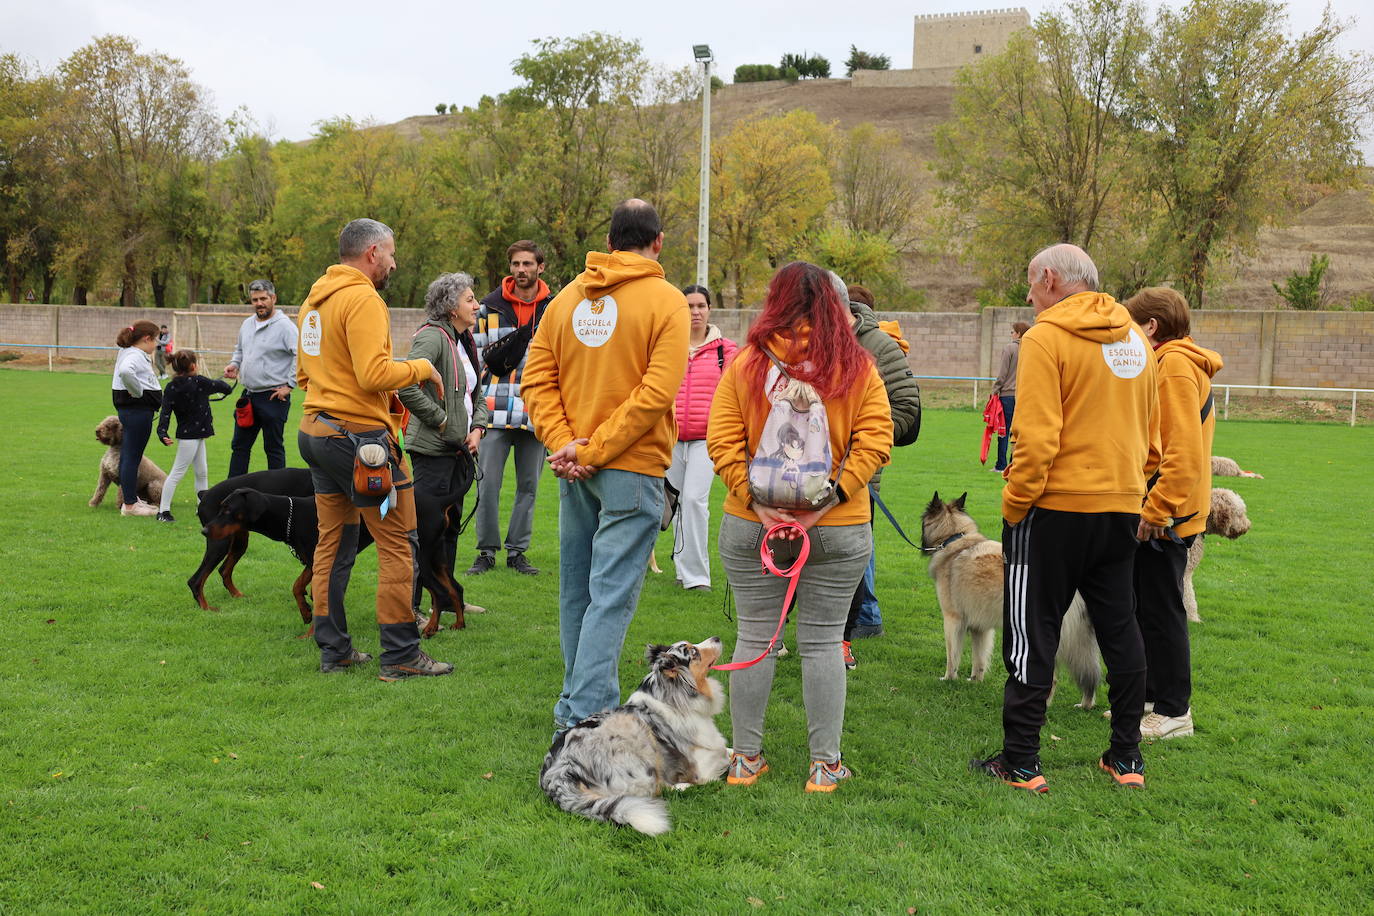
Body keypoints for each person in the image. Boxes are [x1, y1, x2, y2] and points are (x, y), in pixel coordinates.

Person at [973, 243, 1160, 793]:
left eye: (1031, 285)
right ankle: (1127, 756)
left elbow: (1035, 437)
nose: (1028, 297)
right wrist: (1133, 489)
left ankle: (1022, 760)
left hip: (1054, 509)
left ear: (1051, 279)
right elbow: (1153, 436)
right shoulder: (1135, 339)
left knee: (1033, 630)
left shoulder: (1045, 337)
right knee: (1121, 628)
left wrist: (1014, 506)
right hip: (1121, 508)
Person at [708, 261, 892, 793]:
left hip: (751, 525)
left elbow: (722, 442)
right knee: (822, 642)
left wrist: (757, 505)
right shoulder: (857, 367)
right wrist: (828, 500)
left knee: (753, 636)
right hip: (838, 526)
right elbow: (875, 441)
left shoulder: (745, 365)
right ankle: (823, 765)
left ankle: (745, 759)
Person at [522, 199, 689, 731]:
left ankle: (576, 700)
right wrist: (585, 448)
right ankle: (586, 713)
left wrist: (566, 443)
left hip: (576, 468)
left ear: (610, 239)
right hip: (628, 467)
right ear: (657, 242)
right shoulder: (667, 301)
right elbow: (656, 393)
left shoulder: (566, 297)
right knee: (609, 596)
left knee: (579, 590)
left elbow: (536, 381)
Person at [295, 218, 452, 680]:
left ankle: (335, 650)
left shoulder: (313, 301)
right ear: (371, 253)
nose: (394, 262)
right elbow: (373, 374)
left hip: (316, 432)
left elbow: (305, 375)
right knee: (398, 543)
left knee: (334, 542)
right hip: (361, 443)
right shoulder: (363, 297)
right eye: (391, 253)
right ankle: (402, 654)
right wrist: (423, 367)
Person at [1123, 287, 1222, 740]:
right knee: (1146, 605)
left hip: (1170, 514)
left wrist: (1158, 508)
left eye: (1131, 326)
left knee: (1164, 610)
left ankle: (1175, 710)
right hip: (1167, 509)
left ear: (1151, 328)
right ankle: (1150, 698)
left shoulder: (1175, 366)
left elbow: (1182, 453)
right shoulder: (1171, 362)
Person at [831, 277, 922, 669]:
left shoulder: (880, 346)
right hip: (809, 476)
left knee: (853, 553)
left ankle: (850, 631)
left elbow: (906, 409)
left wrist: (864, 443)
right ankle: (790, 632)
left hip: (861, 474)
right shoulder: (814, 344)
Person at [396, 272, 489, 623]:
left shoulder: (464, 340)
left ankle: (447, 600)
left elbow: (475, 393)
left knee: (448, 528)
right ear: (451, 307)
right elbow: (406, 386)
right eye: (470, 299)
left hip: (460, 451)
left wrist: (476, 428)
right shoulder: (432, 338)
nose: (477, 305)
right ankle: (413, 608)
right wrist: (441, 422)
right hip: (433, 452)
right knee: (425, 532)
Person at [467, 241, 554, 577]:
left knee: (529, 487)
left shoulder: (555, 308)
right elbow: (473, 357)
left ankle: (518, 551)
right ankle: (486, 552)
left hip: (537, 412)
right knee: (487, 484)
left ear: (540, 267)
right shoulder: (488, 307)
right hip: (494, 410)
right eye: (516, 264)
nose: (521, 270)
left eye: (528, 264)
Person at [664, 284, 737, 592]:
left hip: (707, 441)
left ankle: (697, 578)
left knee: (694, 501)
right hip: (669, 437)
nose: (695, 312)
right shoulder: (667, 345)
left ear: (709, 310)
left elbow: (735, 396)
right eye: (689, 306)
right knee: (670, 506)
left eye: (700, 306)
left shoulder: (727, 351)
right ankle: (681, 568)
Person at [224, 279, 298, 478]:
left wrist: (290, 385)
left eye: (263, 298)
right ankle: (233, 493)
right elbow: (239, 350)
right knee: (239, 447)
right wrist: (234, 364)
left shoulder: (285, 327)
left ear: (273, 298)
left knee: (273, 449)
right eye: (255, 299)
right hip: (249, 396)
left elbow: (300, 354)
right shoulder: (247, 324)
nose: (259, 303)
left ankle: (278, 495)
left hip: (274, 397)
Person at [155, 349, 234, 522]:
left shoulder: (171, 386)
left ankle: (202, 508)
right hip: (191, 436)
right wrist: (227, 377)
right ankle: (163, 511)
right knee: (177, 473)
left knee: (202, 471)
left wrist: (162, 432)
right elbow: (226, 389)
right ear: (193, 365)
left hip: (191, 435)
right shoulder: (201, 382)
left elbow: (165, 412)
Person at [110, 320, 165, 517]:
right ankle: (131, 505)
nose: (156, 343)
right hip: (137, 411)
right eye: (155, 339)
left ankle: (131, 499)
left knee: (129, 455)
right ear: (146, 338)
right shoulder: (133, 354)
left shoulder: (129, 352)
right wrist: (138, 391)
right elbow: (126, 371)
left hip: (135, 411)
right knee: (132, 457)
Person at [991, 321, 1030, 472]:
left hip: (1007, 396)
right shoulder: (1030, 349)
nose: (1011, 334)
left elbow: (1002, 373)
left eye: (1012, 331)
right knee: (1018, 433)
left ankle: (1001, 465)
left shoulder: (1010, 348)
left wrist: (995, 390)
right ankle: (1014, 464)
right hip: (1024, 396)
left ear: (1019, 333)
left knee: (1003, 431)